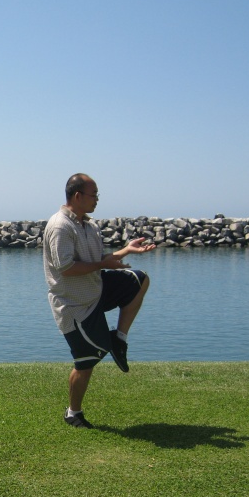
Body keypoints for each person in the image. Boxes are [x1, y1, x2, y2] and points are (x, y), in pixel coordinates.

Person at [43, 173, 155, 429]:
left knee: (138, 281)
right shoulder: (61, 226)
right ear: (78, 196)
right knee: (88, 360)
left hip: (96, 287)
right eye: (94, 195)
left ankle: (119, 338)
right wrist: (103, 264)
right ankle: (73, 413)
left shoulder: (89, 225)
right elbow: (66, 269)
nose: (97, 200)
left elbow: (98, 259)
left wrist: (126, 250)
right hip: (74, 304)